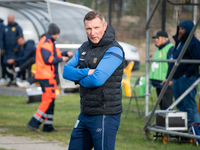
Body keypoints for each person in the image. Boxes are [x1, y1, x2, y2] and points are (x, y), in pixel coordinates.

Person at [63, 11, 125, 150]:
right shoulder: (84, 47)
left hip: (105, 114)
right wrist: (86, 72)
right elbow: (66, 71)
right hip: (85, 112)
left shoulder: (114, 50)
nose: (92, 33)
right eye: (88, 29)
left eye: (96, 28)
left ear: (105, 26)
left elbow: (97, 80)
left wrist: (79, 79)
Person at [26, 23, 73, 132]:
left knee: (51, 101)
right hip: (46, 76)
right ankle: (33, 122)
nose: (58, 36)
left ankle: (48, 126)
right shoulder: (46, 43)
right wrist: (63, 59)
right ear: (54, 34)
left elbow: (57, 54)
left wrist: (66, 53)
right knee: (47, 100)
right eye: (57, 34)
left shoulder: (49, 42)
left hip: (47, 76)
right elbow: (49, 59)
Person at [163, 20, 200, 124]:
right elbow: (173, 61)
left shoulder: (194, 43)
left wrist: (186, 75)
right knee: (180, 104)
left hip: (188, 78)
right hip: (177, 78)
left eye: (183, 29)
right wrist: (169, 77)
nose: (180, 31)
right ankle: (186, 130)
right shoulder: (179, 43)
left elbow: (197, 61)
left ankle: (196, 132)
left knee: (189, 105)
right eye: (179, 28)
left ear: (188, 30)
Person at [149, 30, 174, 110]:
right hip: (158, 83)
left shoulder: (170, 48)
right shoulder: (159, 49)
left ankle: (168, 122)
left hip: (166, 83)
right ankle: (163, 122)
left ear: (164, 39)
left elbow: (173, 65)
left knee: (166, 107)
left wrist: (169, 78)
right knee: (162, 107)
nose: (156, 40)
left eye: (158, 38)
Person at [2, 14, 23, 86]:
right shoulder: (5, 28)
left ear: (13, 19)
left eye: (10, 18)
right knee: (7, 64)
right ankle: (10, 79)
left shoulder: (18, 28)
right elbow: (1, 38)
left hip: (15, 50)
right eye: (8, 18)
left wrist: (17, 47)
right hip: (7, 50)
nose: (9, 20)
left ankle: (17, 78)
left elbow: (20, 37)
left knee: (16, 63)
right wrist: (2, 48)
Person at [0, 18, 6, 85]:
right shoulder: (4, 26)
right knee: (3, 63)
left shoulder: (1, 26)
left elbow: (1, 38)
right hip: (3, 48)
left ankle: (3, 78)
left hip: (2, 48)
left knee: (3, 63)